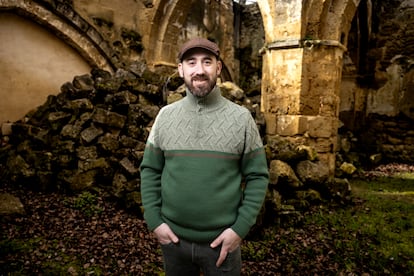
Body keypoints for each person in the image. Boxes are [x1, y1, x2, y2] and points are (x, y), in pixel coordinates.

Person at [140, 37, 269, 276]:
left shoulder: (241, 119)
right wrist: (155, 222)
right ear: (180, 69)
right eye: (191, 62)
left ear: (218, 68)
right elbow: (150, 170)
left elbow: (258, 176)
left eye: (207, 62)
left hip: (222, 244)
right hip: (173, 242)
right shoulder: (165, 117)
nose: (199, 70)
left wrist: (239, 229)